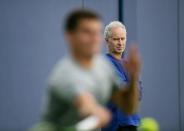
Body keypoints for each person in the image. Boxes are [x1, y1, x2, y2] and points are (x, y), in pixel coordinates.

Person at [31, 10, 141, 131]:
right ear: (70, 36)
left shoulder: (103, 67)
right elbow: (84, 103)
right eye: (87, 32)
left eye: (96, 32)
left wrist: (133, 76)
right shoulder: (64, 73)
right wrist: (97, 112)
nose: (94, 38)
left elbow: (128, 106)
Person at [102, 21, 142, 131]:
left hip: (133, 122)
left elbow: (138, 93)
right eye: (116, 39)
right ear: (107, 41)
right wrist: (132, 84)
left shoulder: (129, 64)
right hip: (116, 125)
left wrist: (132, 85)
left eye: (123, 38)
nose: (120, 43)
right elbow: (124, 90)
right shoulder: (104, 63)